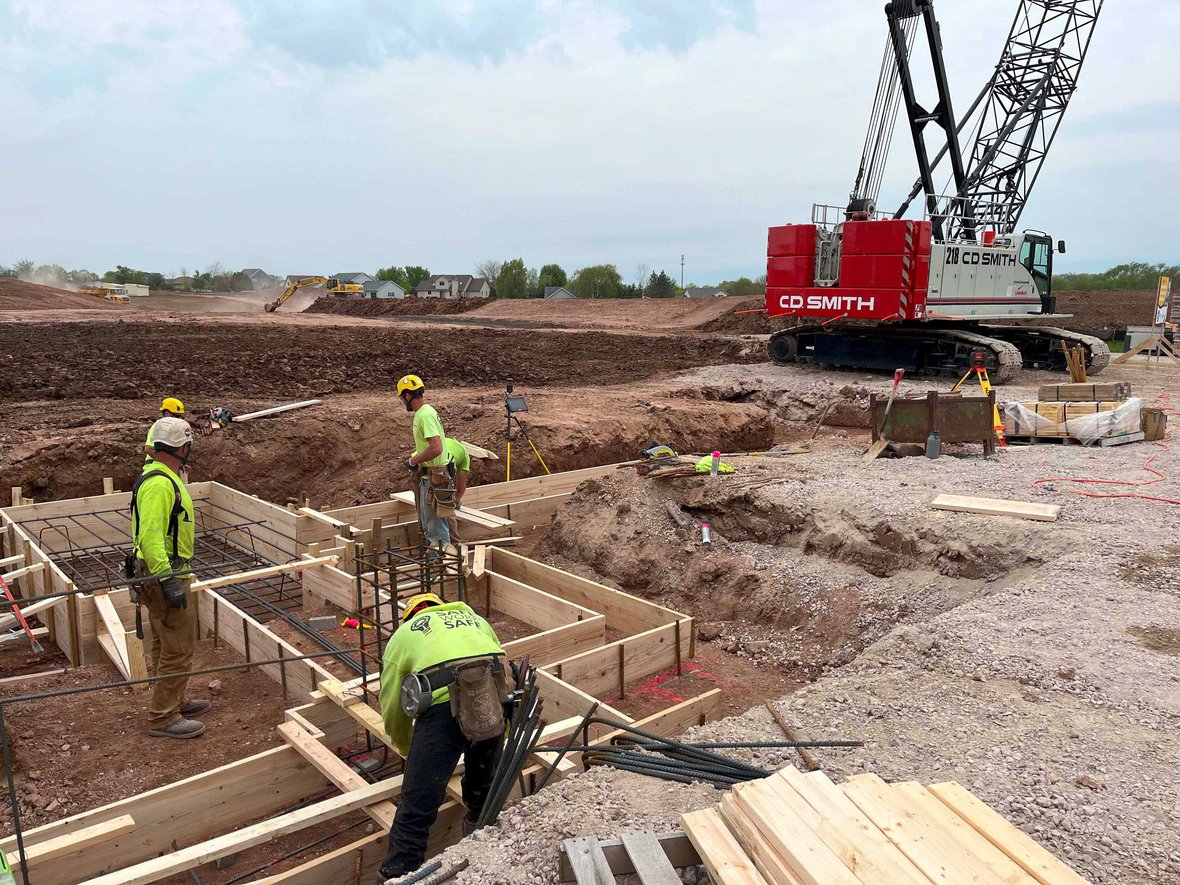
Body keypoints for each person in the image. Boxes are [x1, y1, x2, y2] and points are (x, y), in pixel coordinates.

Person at [377, 593, 506, 880]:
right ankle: (484, 851)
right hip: (490, 702)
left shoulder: (404, 634)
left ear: (410, 615)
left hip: (440, 713)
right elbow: (501, 671)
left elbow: (392, 703)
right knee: (483, 791)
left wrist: (407, 749)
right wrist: (500, 734)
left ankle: (397, 873)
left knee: (417, 806)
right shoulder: (475, 620)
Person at [130, 416, 211, 739]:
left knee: (165, 640)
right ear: (183, 448)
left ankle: (173, 700)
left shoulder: (160, 475)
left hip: (162, 570)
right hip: (165, 571)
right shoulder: (160, 484)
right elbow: (151, 538)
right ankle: (163, 716)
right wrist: (167, 579)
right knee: (178, 646)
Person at [396, 375, 453, 549]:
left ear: (407, 395)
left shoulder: (425, 415)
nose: (402, 401)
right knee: (430, 526)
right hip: (429, 476)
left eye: (402, 397)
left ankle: (443, 568)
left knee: (436, 529)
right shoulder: (424, 413)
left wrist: (414, 460)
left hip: (435, 477)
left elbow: (436, 448)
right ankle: (438, 564)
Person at [442, 438, 472, 543]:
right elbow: (461, 486)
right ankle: (454, 545)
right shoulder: (463, 454)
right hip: (438, 468)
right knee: (446, 509)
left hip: (417, 466)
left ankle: (427, 543)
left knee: (425, 510)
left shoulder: (444, 441)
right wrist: (456, 501)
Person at [143, 397, 186, 462]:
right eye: (177, 416)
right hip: (154, 466)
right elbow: (148, 449)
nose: (180, 419)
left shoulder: (174, 429)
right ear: (167, 413)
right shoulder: (159, 426)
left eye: (181, 416)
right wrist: (169, 462)